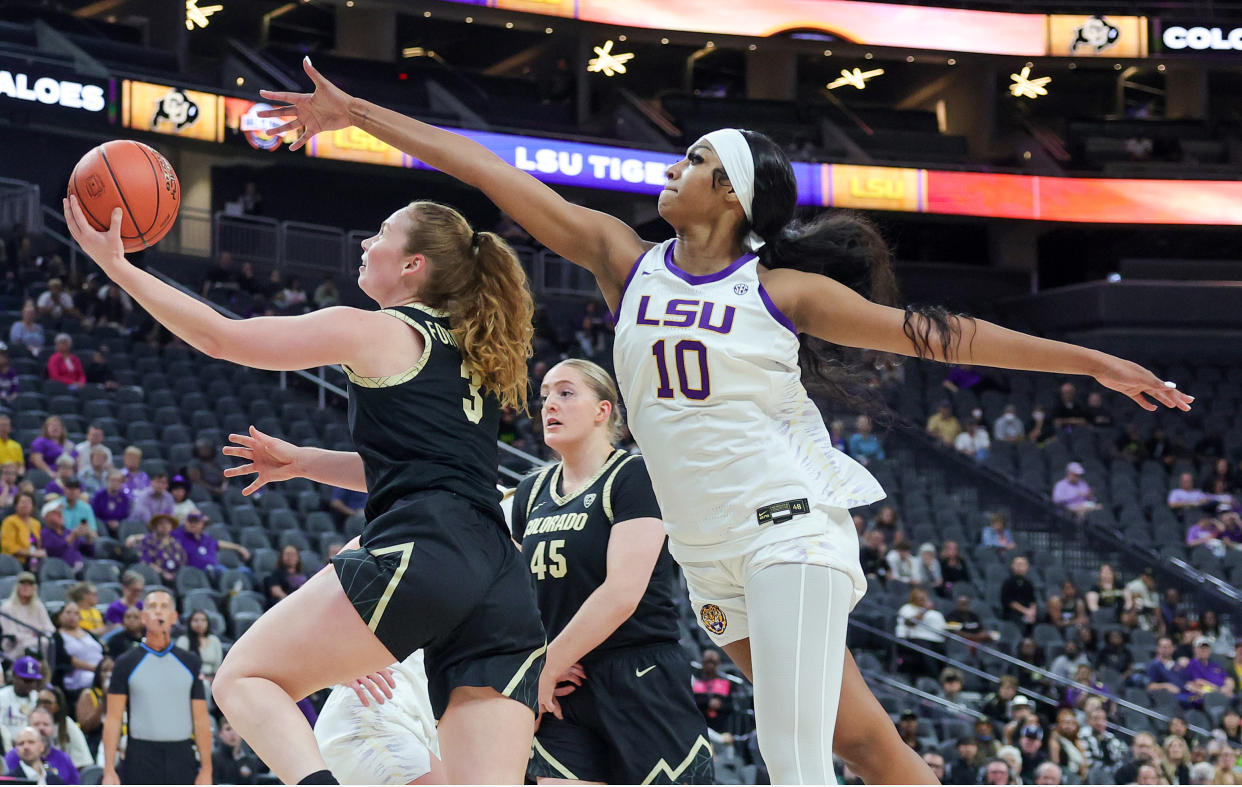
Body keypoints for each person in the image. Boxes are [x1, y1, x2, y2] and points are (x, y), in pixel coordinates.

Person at [256, 58, 1192, 785]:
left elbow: (932, 334)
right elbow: (499, 178)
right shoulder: (626, 261)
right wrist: (363, 117)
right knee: (859, 735)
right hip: (712, 557)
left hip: (787, 528)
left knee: (791, 756)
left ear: (734, 196)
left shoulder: (779, 287)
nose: (680, 163)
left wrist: (1090, 358)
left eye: (699, 159)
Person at [67, 181, 546, 783]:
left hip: (430, 547)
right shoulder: (468, 354)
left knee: (244, 678)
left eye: (381, 236)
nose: (367, 244)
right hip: (501, 575)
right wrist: (303, 461)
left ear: (412, 265)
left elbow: (224, 338)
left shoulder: (376, 330)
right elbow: (416, 466)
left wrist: (118, 267)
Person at [511, 360, 712, 784]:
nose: (549, 404)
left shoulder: (634, 475)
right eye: (545, 394)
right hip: (564, 685)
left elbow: (623, 591)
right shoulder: (530, 493)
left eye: (565, 393)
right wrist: (532, 664)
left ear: (603, 410)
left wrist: (544, 666)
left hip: (637, 675)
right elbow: (510, 592)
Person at [102, 590, 212, 785]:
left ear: (173, 617)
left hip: (182, 755)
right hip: (140, 756)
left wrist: (206, 769)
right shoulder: (125, 663)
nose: (158, 612)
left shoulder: (190, 662)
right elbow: (113, 718)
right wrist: (109, 769)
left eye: (164, 607)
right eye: (152, 607)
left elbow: (201, 719)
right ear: (143, 617)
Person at [51, 602, 104, 704]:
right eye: (68, 612)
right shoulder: (57, 636)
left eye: (76, 613)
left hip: (100, 671)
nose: (72, 616)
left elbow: (103, 650)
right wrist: (95, 669)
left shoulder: (88, 633)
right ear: (59, 616)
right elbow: (65, 658)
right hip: (76, 675)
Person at [172, 512, 249, 574]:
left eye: (196, 522)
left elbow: (218, 543)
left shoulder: (205, 538)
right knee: (220, 570)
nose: (193, 524)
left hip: (214, 571)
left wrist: (238, 547)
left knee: (245, 571)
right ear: (186, 523)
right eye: (190, 521)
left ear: (202, 524)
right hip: (196, 573)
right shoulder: (179, 535)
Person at [37, 686, 93, 770]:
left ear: (57, 706)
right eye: (39, 702)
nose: (42, 706)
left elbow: (84, 762)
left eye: (47, 702)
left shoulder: (67, 724)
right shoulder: (31, 723)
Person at [126, 514, 186, 585]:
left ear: (172, 526)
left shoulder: (176, 543)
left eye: (168, 523)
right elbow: (145, 562)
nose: (164, 526)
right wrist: (162, 573)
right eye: (161, 523)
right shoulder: (147, 541)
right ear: (155, 526)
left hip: (176, 579)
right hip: (156, 579)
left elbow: (183, 561)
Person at [0, 656, 44, 750]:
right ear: (14, 676)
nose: (30, 684)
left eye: (33, 681)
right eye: (26, 680)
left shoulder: (37, 698)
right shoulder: (2, 696)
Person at [39, 497, 94, 572]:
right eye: (56, 512)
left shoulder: (68, 532)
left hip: (81, 570)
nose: (60, 514)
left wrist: (88, 538)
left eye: (61, 512)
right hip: (59, 572)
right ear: (46, 517)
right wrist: (72, 537)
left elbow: (90, 552)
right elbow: (53, 552)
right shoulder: (44, 533)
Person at [174, 609, 223, 684]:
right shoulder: (184, 640)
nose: (200, 623)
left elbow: (218, 665)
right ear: (189, 623)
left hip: (212, 679)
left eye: (203, 620)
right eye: (196, 620)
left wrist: (213, 678)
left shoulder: (214, 640)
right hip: (191, 679)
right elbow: (180, 665)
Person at [213, 719, 267, 785]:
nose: (232, 733)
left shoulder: (250, 761)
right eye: (228, 729)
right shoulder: (213, 759)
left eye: (236, 729)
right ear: (220, 734)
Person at [1, 491, 46, 568]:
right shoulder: (9, 521)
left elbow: (39, 544)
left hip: (34, 561)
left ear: (33, 506)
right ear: (16, 506)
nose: (26, 505)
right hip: (14, 562)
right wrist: (30, 553)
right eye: (22, 502)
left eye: (29, 502)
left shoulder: (36, 523)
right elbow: (8, 546)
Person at [1001, 555, 1038, 628]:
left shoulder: (1029, 583)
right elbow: (1009, 601)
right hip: (1014, 612)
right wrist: (1026, 611)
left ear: (1027, 567)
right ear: (1013, 566)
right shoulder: (1008, 582)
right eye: (1018, 564)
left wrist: (1032, 611)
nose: (1020, 567)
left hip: (1028, 611)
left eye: (1022, 564)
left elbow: (1033, 600)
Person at [90, 470, 130, 537]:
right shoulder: (99, 495)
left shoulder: (124, 498)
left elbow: (126, 516)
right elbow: (94, 515)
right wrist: (106, 522)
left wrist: (118, 523)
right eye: (113, 480)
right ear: (107, 480)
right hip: (102, 527)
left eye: (119, 481)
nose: (116, 483)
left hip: (119, 528)